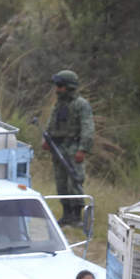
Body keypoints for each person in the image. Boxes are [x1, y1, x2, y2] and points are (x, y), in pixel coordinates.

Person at [45, 70, 94, 226]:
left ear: (69, 87)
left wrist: (83, 149)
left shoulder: (81, 105)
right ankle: (66, 214)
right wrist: (46, 138)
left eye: (60, 86)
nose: (57, 89)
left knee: (74, 181)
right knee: (61, 182)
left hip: (73, 148)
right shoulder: (58, 105)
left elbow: (88, 128)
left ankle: (76, 216)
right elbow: (51, 123)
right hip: (58, 147)